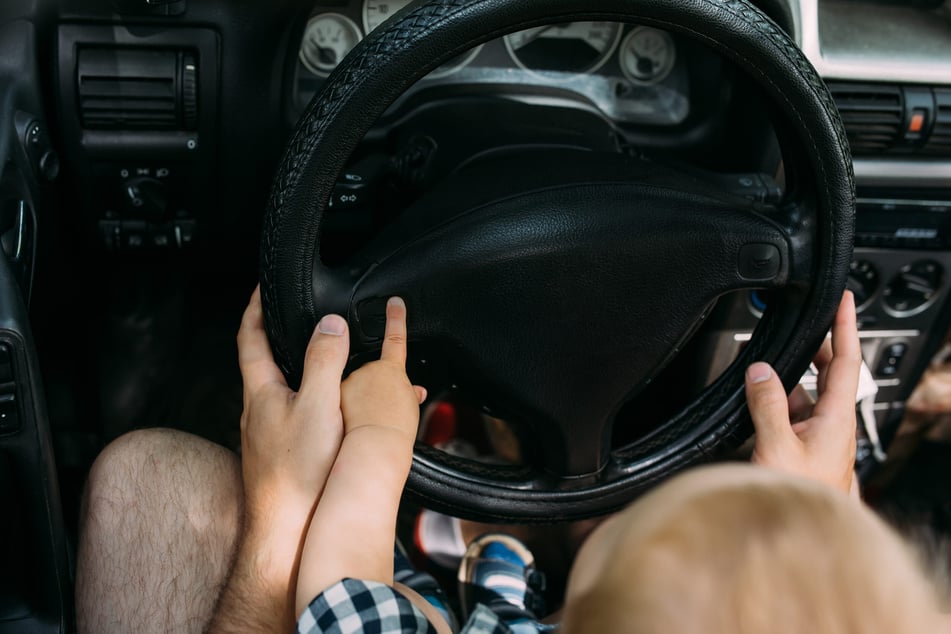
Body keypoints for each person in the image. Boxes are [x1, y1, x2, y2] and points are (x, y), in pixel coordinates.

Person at [74, 290, 947, 632]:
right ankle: (492, 501)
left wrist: (378, 436)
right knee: (595, 500)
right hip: (501, 591)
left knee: (141, 475)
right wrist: (820, 516)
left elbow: (336, 583)